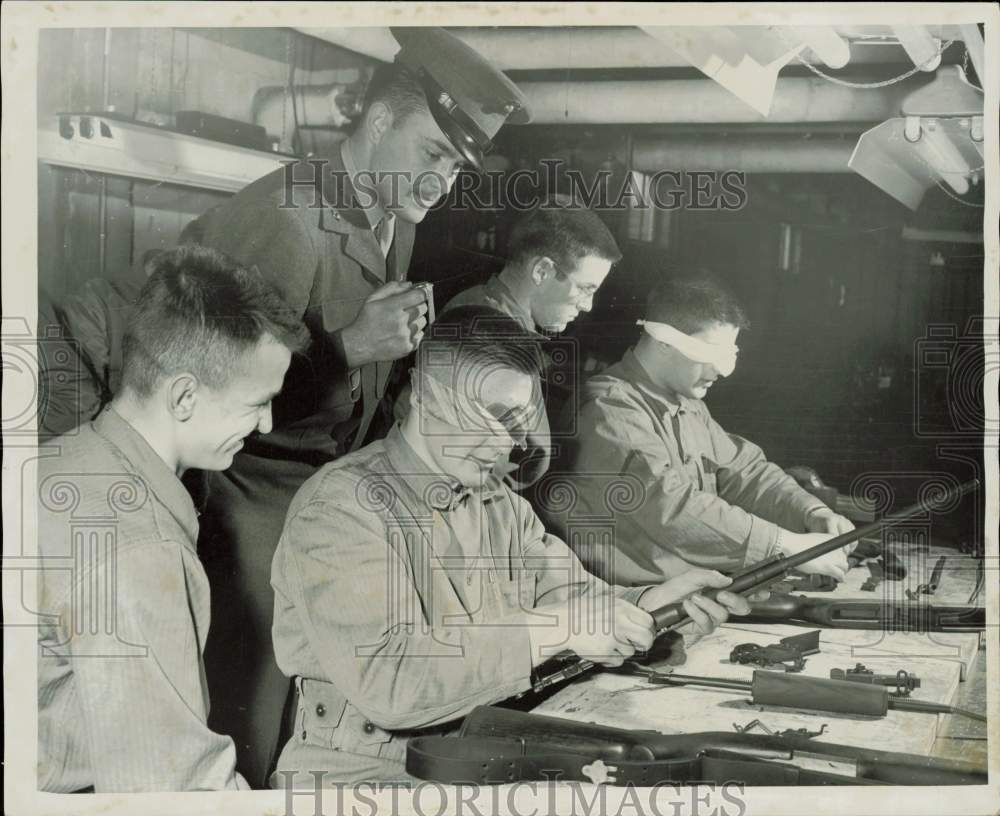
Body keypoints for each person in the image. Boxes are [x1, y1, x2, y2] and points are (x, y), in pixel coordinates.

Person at [269, 306, 751, 787]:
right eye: (492, 418)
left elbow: (572, 600)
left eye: (519, 422)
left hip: (479, 757)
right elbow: (390, 681)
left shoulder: (497, 503)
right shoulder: (342, 509)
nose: (510, 446)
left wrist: (656, 605)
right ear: (425, 396)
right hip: (363, 780)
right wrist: (556, 628)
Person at [36, 246, 309, 792]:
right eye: (258, 402)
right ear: (184, 395)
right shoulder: (141, 550)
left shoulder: (62, 459)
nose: (267, 423)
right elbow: (171, 789)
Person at [546, 276, 855, 587]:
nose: (718, 371)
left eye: (728, 356)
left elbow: (744, 471)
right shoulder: (609, 409)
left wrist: (811, 511)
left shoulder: (686, 404)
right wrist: (784, 544)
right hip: (626, 604)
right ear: (664, 342)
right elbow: (670, 506)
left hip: (690, 594)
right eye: (708, 355)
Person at [445, 195, 622, 333]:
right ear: (542, 271)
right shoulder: (490, 335)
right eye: (585, 289)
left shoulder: (480, 310)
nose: (587, 306)